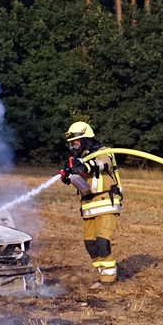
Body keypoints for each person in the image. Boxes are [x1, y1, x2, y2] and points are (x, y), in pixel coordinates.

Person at [60, 121, 123, 287]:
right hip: (88, 207)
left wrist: (85, 166)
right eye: (71, 143)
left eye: (76, 142)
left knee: (103, 242)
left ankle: (108, 281)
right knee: (90, 245)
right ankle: (103, 273)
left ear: (86, 139)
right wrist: (68, 175)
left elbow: (103, 164)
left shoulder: (103, 152)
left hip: (105, 203)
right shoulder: (78, 158)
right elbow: (77, 178)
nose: (73, 146)